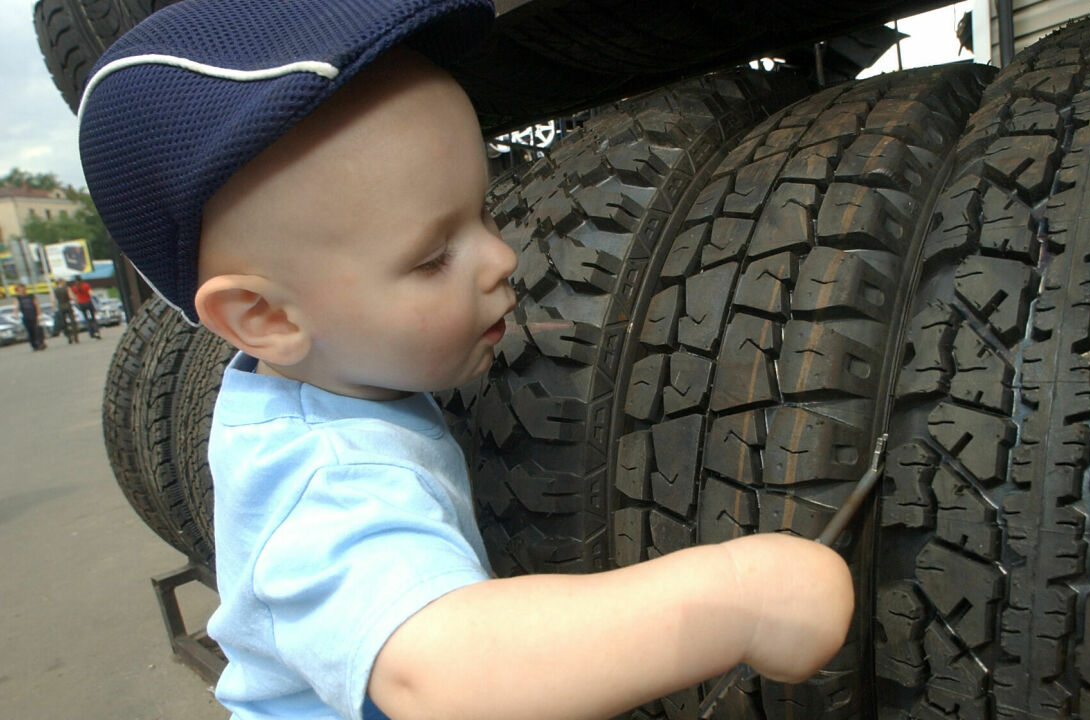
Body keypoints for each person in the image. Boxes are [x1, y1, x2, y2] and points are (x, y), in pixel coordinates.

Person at [77, 2, 855, 719]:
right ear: (265, 317)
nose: (501, 257)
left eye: (485, 209)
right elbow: (439, 674)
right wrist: (740, 599)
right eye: (430, 257)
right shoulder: (328, 488)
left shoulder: (322, 377)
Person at [12, 283, 46, 351]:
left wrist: (39, 314)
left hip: (34, 316)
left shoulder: (31, 296)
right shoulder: (18, 298)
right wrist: (15, 314)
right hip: (26, 317)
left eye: (22, 288)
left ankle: (40, 343)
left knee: (37, 330)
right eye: (20, 289)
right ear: (18, 290)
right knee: (30, 332)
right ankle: (34, 345)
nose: (22, 290)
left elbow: (37, 305)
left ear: (25, 289)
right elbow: (15, 307)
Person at [52, 278, 80, 344]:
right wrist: (76, 299)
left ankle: (69, 337)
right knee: (73, 322)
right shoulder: (67, 288)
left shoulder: (54, 290)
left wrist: (53, 308)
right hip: (68, 305)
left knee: (63, 323)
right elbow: (71, 297)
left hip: (60, 306)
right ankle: (76, 337)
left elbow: (52, 300)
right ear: (61, 282)